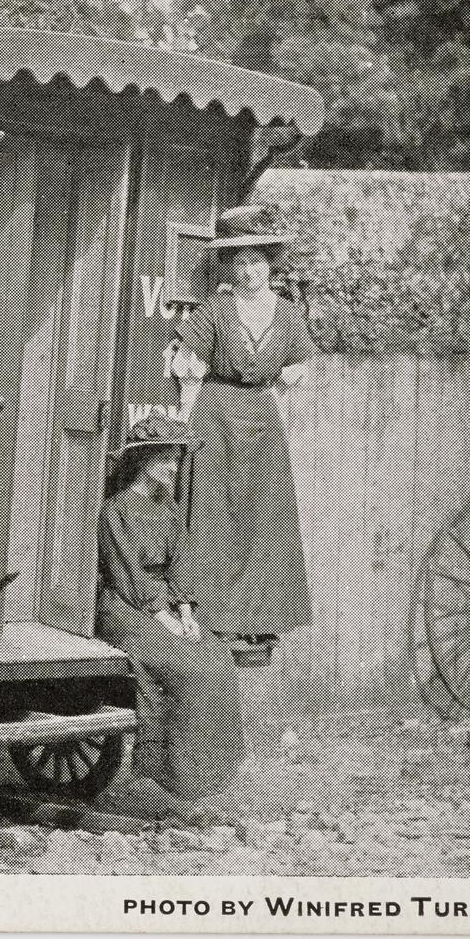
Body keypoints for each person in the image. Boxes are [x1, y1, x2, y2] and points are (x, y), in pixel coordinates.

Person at [169, 205, 315, 652]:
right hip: (216, 414)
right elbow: (188, 360)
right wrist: (189, 373)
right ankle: (208, 613)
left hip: (263, 418)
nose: (249, 271)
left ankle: (259, 618)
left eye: (257, 261)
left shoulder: (288, 314)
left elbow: (300, 364)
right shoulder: (216, 309)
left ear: (270, 264)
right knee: (212, 513)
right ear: (230, 266)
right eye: (240, 261)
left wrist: (293, 374)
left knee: (263, 516)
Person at [96, 416, 245, 801]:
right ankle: (166, 772)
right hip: (123, 606)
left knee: (217, 659)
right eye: (165, 458)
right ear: (144, 460)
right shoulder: (115, 511)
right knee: (186, 669)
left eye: (177, 459)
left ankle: (207, 775)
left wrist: (185, 611)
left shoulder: (170, 508)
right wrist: (163, 615)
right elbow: (128, 574)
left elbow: (181, 565)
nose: (174, 467)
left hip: (164, 604)